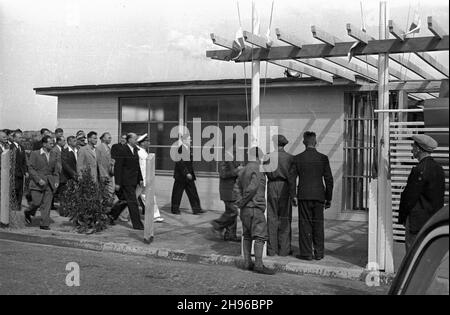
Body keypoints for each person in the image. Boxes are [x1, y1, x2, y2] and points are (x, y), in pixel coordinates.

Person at [291, 131, 333, 261]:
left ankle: (306, 253)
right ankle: (319, 253)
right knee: (318, 225)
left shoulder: (297, 158)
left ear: (304, 142)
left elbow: (292, 178)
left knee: (305, 225)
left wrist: (293, 195)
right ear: (316, 142)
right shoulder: (323, 158)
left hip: (304, 195)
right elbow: (329, 179)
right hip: (319, 196)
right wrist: (328, 197)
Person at [399, 134, 445, 252]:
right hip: (431, 222)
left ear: (419, 149)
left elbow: (409, 198)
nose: (412, 149)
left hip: (416, 222)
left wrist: (403, 218)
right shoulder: (439, 169)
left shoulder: (419, 170)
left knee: (412, 254)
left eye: (413, 146)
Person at [234, 146, 275, 275]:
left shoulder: (243, 170)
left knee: (246, 235)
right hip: (255, 208)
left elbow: (236, 188)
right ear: (258, 156)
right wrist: (244, 201)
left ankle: (247, 262)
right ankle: (258, 265)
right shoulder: (258, 169)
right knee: (260, 236)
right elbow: (253, 188)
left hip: (245, 210)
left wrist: (241, 202)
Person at [264, 135, 295, 256]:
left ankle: (272, 250)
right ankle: (284, 250)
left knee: (272, 218)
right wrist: (293, 194)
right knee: (285, 218)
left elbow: (264, 172)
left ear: (275, 144)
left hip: (271, 186)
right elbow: (292, 178)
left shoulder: (268, 156)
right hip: (285, 187)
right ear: (285, 144)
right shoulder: (290, 158)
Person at [108, 133, 144, 230]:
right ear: (129, 140)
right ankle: (137, 225)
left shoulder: (135, 150)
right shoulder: (122, 150)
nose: (137, 140)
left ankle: (110, 216)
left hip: (133, 180)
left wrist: (140, 178)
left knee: (124, 201)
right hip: (126, 181)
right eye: (135, 139)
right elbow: (118, 167)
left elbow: (137, 166)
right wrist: (118, 183)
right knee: (133, 202)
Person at [210, 137, 242, 242]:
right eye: (234, 145)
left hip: (233, 190)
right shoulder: (225, 158)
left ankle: (230, 235)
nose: (236, 147)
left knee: (231, 211)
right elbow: (223, 174)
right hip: (227, 190)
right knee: (233, 212)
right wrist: (237, 171)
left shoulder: (233, 157)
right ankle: (217, 224)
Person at [24, 135, 59, 230]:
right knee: (36, 202)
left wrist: (56, 181)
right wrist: (38, 179)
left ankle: (44, 224)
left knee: (47, 205)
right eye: (50, 143)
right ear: (44, 144)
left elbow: (56, 169)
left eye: (53, 143)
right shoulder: (35, 154)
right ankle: (28, 211)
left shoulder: (54, 154)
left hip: (50, 182)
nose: (52, 145)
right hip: (37, 183)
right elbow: (31, 168)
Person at [171, 133, 204, 215]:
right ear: (184, 140)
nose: (190, 140)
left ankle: (197, 209)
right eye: (189, 139)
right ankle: (175, 209)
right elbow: (180, 162)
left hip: (189, 176)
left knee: (193, 192)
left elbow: (189, 163)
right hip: (181, 176)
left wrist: (190, 173)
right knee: (177, 193)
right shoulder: (180, 149)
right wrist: (186, 173)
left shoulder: (189, 148)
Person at [136, 134, 164, 223]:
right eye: (147, 141)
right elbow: (140, 168)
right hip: (141, 180)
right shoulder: (139, 152)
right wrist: (142, 180)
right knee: (132, 199)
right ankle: (120, 214)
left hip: (146, 179)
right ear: (142, 143)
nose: (149, 143)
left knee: (149, 197)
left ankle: (155, 216)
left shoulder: (143, 151)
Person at [10, 130, 28, 211]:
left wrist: (26, 171)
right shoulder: (11, 147)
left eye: (21, 137)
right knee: (15, 188)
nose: (21, 139)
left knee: (20, 189)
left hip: (21, 173)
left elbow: (24, 161)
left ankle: (18, 205)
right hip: (14, 173)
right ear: (14, 138)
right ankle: (14, 206)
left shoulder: (22, 147)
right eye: (19, 137)